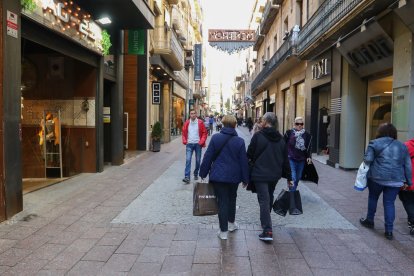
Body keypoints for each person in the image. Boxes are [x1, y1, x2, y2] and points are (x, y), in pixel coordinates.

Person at [200, 115, 249, 240]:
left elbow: (208, 156)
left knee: (222, 202)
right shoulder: (240, 141)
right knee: (232, 199)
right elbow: (244, 161)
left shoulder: (216, 138)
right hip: (234, 177)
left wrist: (203, 173)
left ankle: (223, 232)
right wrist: (245, 179)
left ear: (222, 124)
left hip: (218, 176)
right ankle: (231, 224)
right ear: (234, 125)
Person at [360, 123, 412, 240]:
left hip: (377, 178)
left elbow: (367, 160)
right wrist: (409, 182)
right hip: (396, 180)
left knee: (373, 198)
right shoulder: (402, 146)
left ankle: (370, 220)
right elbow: (408, 165)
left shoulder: (374, 143)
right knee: (389, 203)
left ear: (380, 132)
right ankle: (389, 231)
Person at [247, 112, 292, 241]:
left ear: (266, 122)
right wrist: (290, 178)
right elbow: (285, 160)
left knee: (264, 200)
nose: (260, 122)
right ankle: (265, 221)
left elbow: (249, 154)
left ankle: (267, 231)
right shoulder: (281, 139)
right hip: (274, 175)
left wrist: (246, 174)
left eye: (262, 120)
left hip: (260, 174)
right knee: (268, 197)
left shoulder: (257, 137)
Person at [283, 117, 312, 214]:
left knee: (298, 177)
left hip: (301, 160)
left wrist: (309, 157)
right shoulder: (289, 133)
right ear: (294, 124)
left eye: (301, 124)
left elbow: (308, 147)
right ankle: (292, 201)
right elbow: (283, 145)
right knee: (293, 178)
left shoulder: (306, 135)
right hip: (290, 159)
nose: (299, 126)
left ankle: (291, 189)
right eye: (297, 124)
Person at [181, 110, 208, 184]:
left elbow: (204, 133)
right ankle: (187, 177)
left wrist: (201, 142)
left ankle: (196, 173)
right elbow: (183, 132)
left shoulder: (200, 122)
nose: (192, 115)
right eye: (191, 114)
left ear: (196, 114)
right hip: (189, 144)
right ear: (189, 115)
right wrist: (184, 140)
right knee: (188, 160)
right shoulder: (187, 123)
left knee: (198, 160)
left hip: (198, 144)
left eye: (194, 113)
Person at [400, 138, 414, 235]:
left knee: (408, 201)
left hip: (408, 181)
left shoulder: (406, 145)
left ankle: (412, 221)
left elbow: (399, 163)